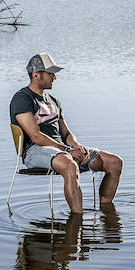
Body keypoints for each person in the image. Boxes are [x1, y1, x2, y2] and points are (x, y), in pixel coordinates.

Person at [10, 53, 124, 214]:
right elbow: (35, 136)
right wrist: (68, 151)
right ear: (36, 75)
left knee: (114, 162)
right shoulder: (22, 99)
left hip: (62, 150)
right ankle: (77, 220)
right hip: (35, 151)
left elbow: (66, 133)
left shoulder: (53, 101)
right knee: (70, 165)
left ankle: (106, 211)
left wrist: (77, 147)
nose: (55, 77)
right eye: (50, 73)